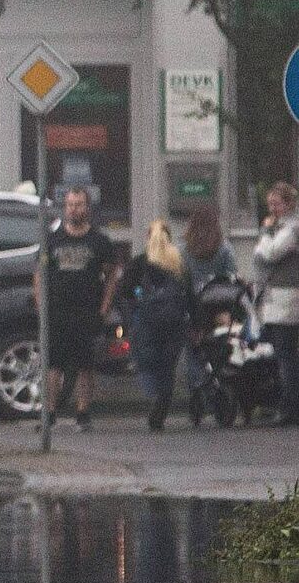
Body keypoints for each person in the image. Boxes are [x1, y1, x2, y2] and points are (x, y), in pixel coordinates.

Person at [38, 185, 122, 428]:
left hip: (87, 312)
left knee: (86, 365)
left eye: (78, 204)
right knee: (53, 365)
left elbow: (111, 275)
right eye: (70, 205)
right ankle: (50, 414)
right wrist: (41, 304)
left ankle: (83, 413)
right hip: (57, 312)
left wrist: (105, 308)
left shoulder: (99, 241)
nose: (74, 209)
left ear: (87, 208)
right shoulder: (52, 240)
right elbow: (39, 273)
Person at [118, 218, 191, 430]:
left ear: (148, 237)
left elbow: (124, 292)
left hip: (147, 322)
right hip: (175, 323)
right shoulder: (179, 263)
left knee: (146, 362)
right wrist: (196, 323)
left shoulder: (140, 262)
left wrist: (128, 319)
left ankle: (155, 395)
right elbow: (190, 295)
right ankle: (162, 407)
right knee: (167, 367)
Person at [179, 204, 239, 419]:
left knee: (194, 352)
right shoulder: (223, 249)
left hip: (193, 310)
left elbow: (181, 282)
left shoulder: (184, 250)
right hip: (218, 309)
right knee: (218, 350)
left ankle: (197, 389)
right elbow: (231, 278)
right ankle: (217, 389)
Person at [253, 180, 299, 426]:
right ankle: (284, 402)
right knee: (283, 354)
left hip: (286, 301)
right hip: (277, 300)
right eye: (269, 204)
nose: (272, 209)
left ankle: (289, 407)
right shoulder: (283, 226)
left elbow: (269, 253)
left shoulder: (292, 228)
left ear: (290, 204)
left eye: (277, 204)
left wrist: (265, 233)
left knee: (285, 355)